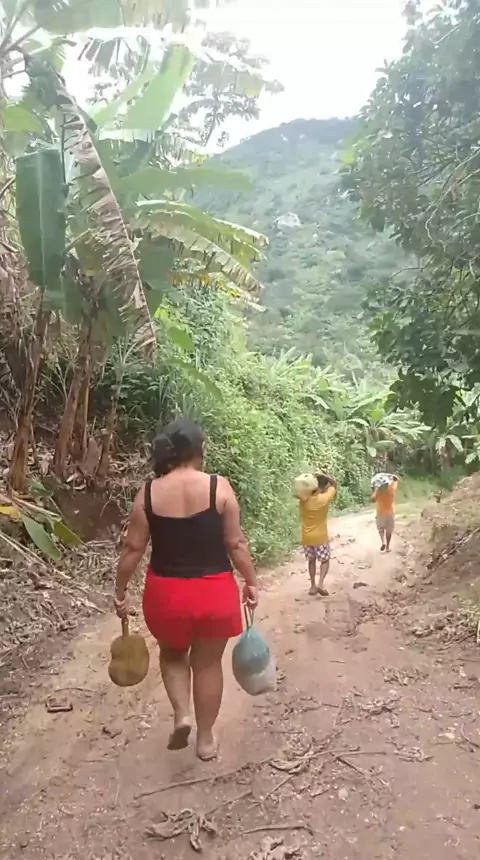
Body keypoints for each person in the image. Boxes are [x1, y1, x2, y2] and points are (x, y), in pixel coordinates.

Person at [114, 418, 258, 761]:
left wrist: (120, 590)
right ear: (199, 450)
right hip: (214, 592)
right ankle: (205, 740)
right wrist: (251, 581)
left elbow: (132, 549)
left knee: (173, 655)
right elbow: (236, 543)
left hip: (167, 595)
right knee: (207, 664)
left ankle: (182, 714)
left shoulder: (149, 493)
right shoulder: (218, 487)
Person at [299, 472, 337, 596]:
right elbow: (334, 484)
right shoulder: (324, 499)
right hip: (320, 537)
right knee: (325, 560)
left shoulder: (304, 499)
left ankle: (313, 586)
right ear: (324, 486)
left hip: (306, 537)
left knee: (311, 561)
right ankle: (320, 583)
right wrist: (325, 476)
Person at [372, 474, 398, 552]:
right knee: (389, 531)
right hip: (390, 512)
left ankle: (383, 542)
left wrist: (374, 490)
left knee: (380, 529)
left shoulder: (379, 490)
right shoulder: (392, 488)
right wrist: (391, 476)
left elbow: (373, 499)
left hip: (380, 513)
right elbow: (396, 479)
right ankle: (388, 547)